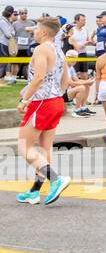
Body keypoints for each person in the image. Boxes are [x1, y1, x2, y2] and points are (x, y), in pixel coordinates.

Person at [15, 18, 72, 204]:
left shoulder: (41, 49)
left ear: (45, 32)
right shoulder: (59, 50)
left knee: (24, 147)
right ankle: (35, 191)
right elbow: (66, 80)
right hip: (56, 100)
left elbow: (38, 77)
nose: (34, 32)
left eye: (37, 29)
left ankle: (56, 179)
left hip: (42, 101)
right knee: (44, 148)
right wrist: (58, 95)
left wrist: (25, 100)